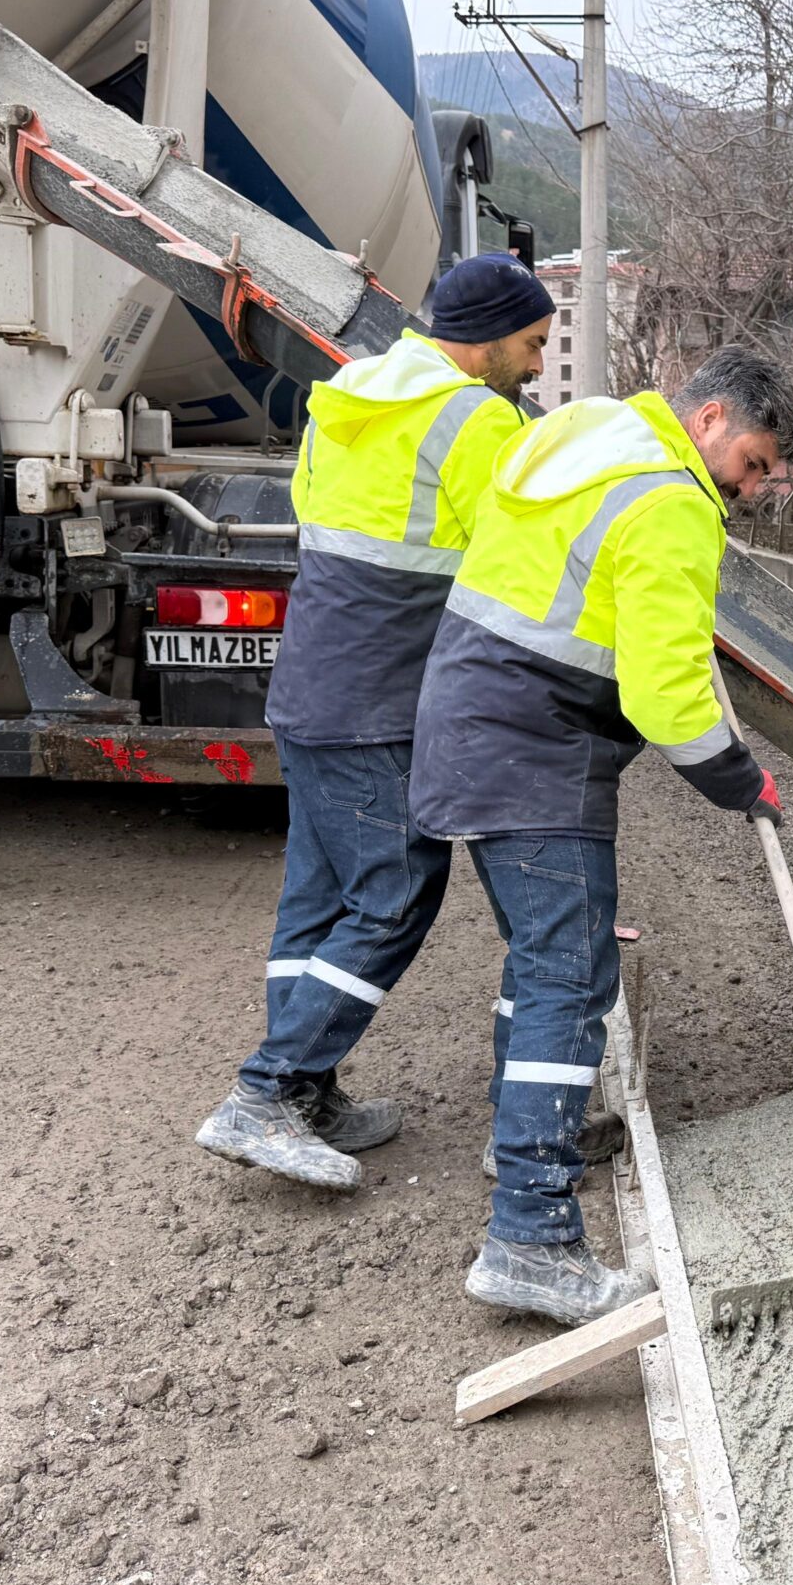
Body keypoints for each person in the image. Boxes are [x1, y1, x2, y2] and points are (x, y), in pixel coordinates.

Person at [411, 346, 793, 1324]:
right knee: (570, 977)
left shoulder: (591, 432)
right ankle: (531, 1237)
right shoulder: (670, 503)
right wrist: (739, 779)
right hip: (535, 750)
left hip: (469, 716)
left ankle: (517, 1141)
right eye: (753, 463)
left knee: (540, 960)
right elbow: (666, 697)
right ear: (709, 420)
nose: (753, 489)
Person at [194, 253, 555, 1191]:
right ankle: (267, 1093)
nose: (535, 366)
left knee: (315, 902)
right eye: (530, 344)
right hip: (378, 700)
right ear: (485, 339)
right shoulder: (476, 417)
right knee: (397, 891)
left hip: (309, 688)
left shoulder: (346, 395)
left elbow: (323, 521)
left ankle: (310, 1096)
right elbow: (516, 552)